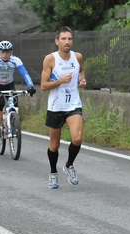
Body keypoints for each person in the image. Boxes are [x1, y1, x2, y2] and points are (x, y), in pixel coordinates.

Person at [40, 26, 87, 189]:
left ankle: (69, 165)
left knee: (77, 138)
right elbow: (44, 86)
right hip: (56, 107)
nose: (67, 42)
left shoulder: (77, 57)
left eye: (69, 39)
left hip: (73, 104)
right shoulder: (50, 59)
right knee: (54, 145)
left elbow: (81, 71)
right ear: (57, 41)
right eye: (64, 39)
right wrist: (60, 81)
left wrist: (82, 80)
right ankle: (53, 172)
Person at [0, 40, 36, 138]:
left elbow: (24, 73)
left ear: (11, 52)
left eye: (7, 52)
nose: (5, 54)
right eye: (3, 52)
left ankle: (11, 124)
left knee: (14, 104)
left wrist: (30, 86)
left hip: (9, 84)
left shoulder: (16, 60)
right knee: (0, 103)